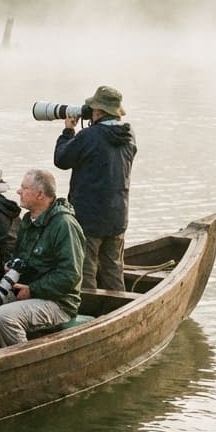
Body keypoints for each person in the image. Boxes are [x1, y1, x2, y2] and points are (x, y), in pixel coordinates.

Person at [53, 85, 137, 291]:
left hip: (88, 219)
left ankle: (90, 315)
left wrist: (68, 131)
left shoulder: (89, 136)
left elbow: (61, 159)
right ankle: (119, 312)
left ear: (98, 111)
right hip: (117, 216)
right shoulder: (128, 135)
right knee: (113, 270)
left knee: (86, 272)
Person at [0, 169, 85, 346]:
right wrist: (12, 266)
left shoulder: (64, 225)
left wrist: (32, 289)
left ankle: (22, 362)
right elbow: (23, 258)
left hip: (59, 303)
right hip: (28, 293)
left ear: (40, 194)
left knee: (4, 317)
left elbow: (70, 275)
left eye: (24, 188)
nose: (18, 191)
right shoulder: (28, 221)